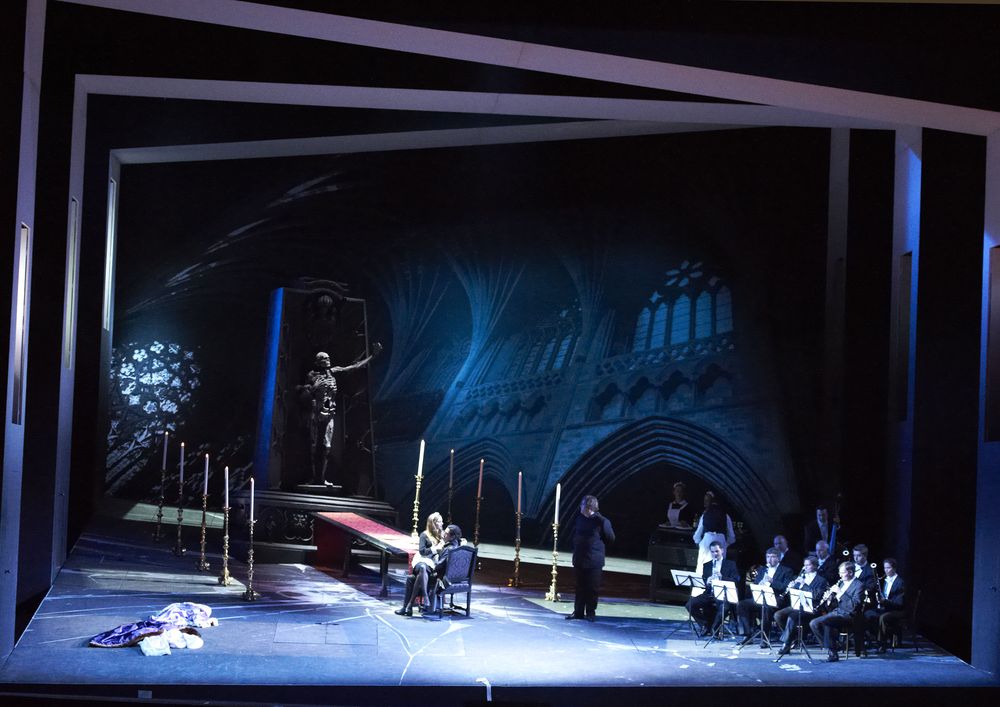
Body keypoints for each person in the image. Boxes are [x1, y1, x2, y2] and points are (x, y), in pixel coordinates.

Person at [299, 345, 379, 486]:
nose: (328, 360)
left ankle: (321, 478)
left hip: (330, 413)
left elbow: (354, 367)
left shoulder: (333, 371)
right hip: (317, 413)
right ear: (318, 362)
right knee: (314, 445)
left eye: (328, 358)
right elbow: (304, 394)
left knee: (327, 446)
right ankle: (314, 477)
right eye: (324, 359)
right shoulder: (312, 375)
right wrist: (313, 388)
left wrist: (373, 355)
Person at [566, 495, 615, 622]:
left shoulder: (602, 521)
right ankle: (578, 612)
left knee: (592, 588)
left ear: (588, 507)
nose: (580, 507)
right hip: (580, 558)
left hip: (594, 560)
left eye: (582, 505)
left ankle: (590, 613)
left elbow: (610, 538)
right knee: (579, 587)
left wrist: (596, 547)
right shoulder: (579, 518)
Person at [396, 522, 461, 617]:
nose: (444, 534)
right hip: (441, 574)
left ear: (452, 537)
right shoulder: (456, 545)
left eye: (446, 533)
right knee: (420, 572)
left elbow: (439, 565)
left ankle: (408, 606)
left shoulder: (449, 548)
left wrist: (432, 564)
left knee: (413, 578)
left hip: (441, 578)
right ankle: (410, 605)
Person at [737, 547, 796, 646]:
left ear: (779, 558)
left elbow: (784, 587)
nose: (769, 559)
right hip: (761, 596)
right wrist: (760, 583)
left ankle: (765, 638)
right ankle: (747, 635)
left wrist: (772, 581)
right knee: (742, 604)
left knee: (766, 606)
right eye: (768, 557)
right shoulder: (762, 569)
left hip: (777, 598)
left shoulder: (786, 570)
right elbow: (755, 584)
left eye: (772, 557)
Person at [808, 561, 866, 662]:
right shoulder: (841, 583)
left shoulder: (859, 585)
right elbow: (834, 605)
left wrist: (840, 593)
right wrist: (829, 599)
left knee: (828, 621)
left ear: (851, 572)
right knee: (814, 623)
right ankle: (834, 645)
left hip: (850, 616)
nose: (840, 575)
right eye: (840, 572)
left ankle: (833, 653)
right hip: (837, 612)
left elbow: (854, 606)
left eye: (843, 573)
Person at [775, 555, 829, 655]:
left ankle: (787, 644)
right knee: (778, 615)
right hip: (797, 605)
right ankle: (794, 637)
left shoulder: (821, 580)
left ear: (815, 566)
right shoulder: (800, 577)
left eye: (808, 565)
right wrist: (791, 588)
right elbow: (794, 594)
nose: (805, 567)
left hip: (811, 607)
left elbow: (817, 596)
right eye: (804, 565)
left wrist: (804, 585)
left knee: (792, 617)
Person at [394, 513, 445, 616]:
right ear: (433, 523)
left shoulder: (442, 535)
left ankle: (408, 606)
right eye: (440, 521)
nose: (442, 523)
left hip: (432, 564)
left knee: (414, 577)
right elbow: (422, 552)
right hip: (421, 560)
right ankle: (425, 596)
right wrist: (435, 549)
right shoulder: (424, 535)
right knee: (422, 567)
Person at [686, 540, 740, 636]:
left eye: (717, 551)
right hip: (709, 593)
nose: (715, 554)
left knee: (724, 607)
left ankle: (714, 629)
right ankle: (704, 625)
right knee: (690, 604)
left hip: (722, 595)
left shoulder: (730, 564)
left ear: (722, 550)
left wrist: (722, 577)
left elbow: (736, 580)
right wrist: (707, 581)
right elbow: (703, 582)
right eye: (712, 552)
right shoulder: (707, 565)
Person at [864, 557, 906, 653]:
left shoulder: (900, 582)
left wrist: (884, 601)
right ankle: (871, 639)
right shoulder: (885, 580)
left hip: (897, 610)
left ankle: (881, 644)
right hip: (886, 608)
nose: (886, 570)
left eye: (888, 568)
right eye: (885, 568)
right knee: (868, 614)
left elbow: (899, 604)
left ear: (894, 568)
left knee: (883, 617)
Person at [692, 491, 736, 571]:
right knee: (717, 571)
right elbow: (732, 537)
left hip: (706, 544)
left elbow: (697, 536)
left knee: (702, 571)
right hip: (720, 544)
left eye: (707, 501)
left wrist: (700, 544)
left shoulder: (705, 515)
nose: (705, 503)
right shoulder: (726, 516)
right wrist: (725, 545)